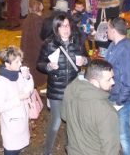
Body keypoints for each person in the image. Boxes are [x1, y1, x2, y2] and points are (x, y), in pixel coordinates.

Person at [37, 14, 88, 155]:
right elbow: (39, 64)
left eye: (67, 25)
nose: (65, 29)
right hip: (56, 90)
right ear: (56, 28)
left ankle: (70, 149)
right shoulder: (49, 43)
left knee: (72, 122)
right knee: (56, 121)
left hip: (74, 90)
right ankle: (47, 151)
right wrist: (48, 66)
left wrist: (83, 61)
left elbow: (88, 59)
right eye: (62, 26)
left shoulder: (77, 42)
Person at [61, 59, 120, 155]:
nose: (113, 82)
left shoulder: (70, 89)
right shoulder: (107, 111)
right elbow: (111, 150)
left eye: (112, 77)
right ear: (94, 82)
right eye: (108, 79)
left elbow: (64, 116)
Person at [105, 17, 130, 155]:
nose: (106, 31)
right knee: (114, 129)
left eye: (108, 28)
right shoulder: (114, 45)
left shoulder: (127, 50)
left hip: (122, 99)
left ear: (113, 30)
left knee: (124, 134)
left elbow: (129, 82)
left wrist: (119, 102)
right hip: (113, 94)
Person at [0, 46, 34, 155]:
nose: (20, 64)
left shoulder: (19, 73)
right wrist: (18, 98)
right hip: (11, 125)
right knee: (11, 150)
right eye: (17, 62)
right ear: (7, 64)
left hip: (22, 121)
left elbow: (29, 90)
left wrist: (28, 78)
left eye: (20, 61)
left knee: (18, 148)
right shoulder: (2, 81)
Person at [19, 0, 46, 87]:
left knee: (30, 70)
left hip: (27, 51)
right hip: (35, 52)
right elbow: (38, 39)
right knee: (35, 72)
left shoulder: (28, 19)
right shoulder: (37, 21)